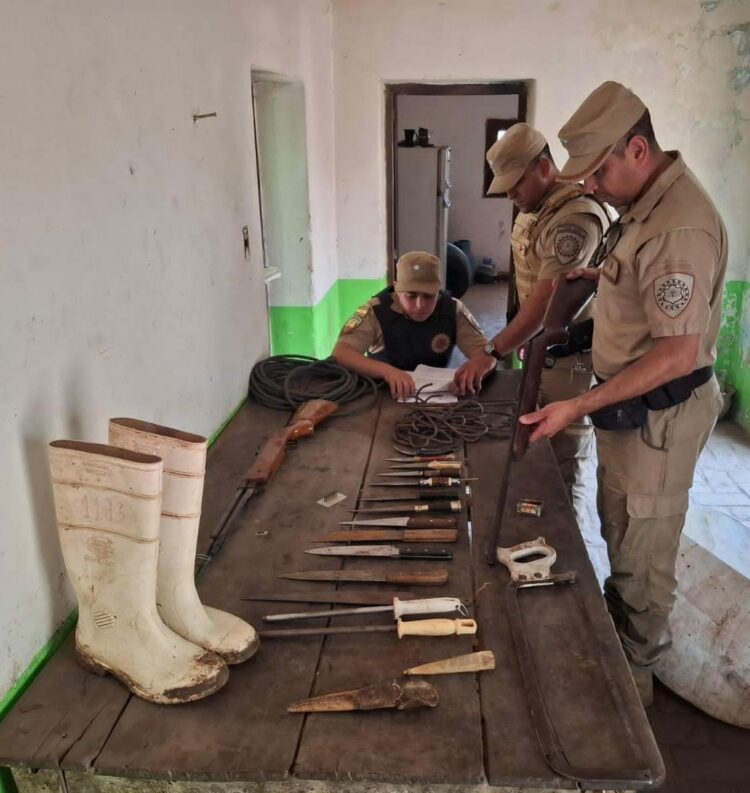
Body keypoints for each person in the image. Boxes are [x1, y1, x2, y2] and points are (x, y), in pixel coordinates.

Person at [519, 81, 727, 705]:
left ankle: (631, 704)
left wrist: (577, 405)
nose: (588, 187)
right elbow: (634, 297)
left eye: (598, 171)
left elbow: (678, 352)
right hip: (628, 410)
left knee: (642, 555)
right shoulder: (642, 211)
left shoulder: (677, 227)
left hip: (657, 420)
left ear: (638, 149)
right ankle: (621, 649)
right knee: (620, 531)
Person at [457, 123, 609, 522]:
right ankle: (533, 528)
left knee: (560, 461)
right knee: (531, 446)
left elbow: (546, 303)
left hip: (571, 359)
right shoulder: (536, 207)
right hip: (540, 350)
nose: (509, 195)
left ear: (544, 168)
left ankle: (565, 558)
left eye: (515, 184)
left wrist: (493, 350)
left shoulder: (573, 219)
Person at [332, 250, 498, 400]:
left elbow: (488, 350)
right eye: (410, 296)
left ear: (438, 290)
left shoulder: (452, 309)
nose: (420, 305)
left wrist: (478, 366)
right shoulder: (376, 311)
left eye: (429, 296)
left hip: (436, 396)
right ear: (396, 288)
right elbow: (342, 353)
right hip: (382, 393)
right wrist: (387, 372)